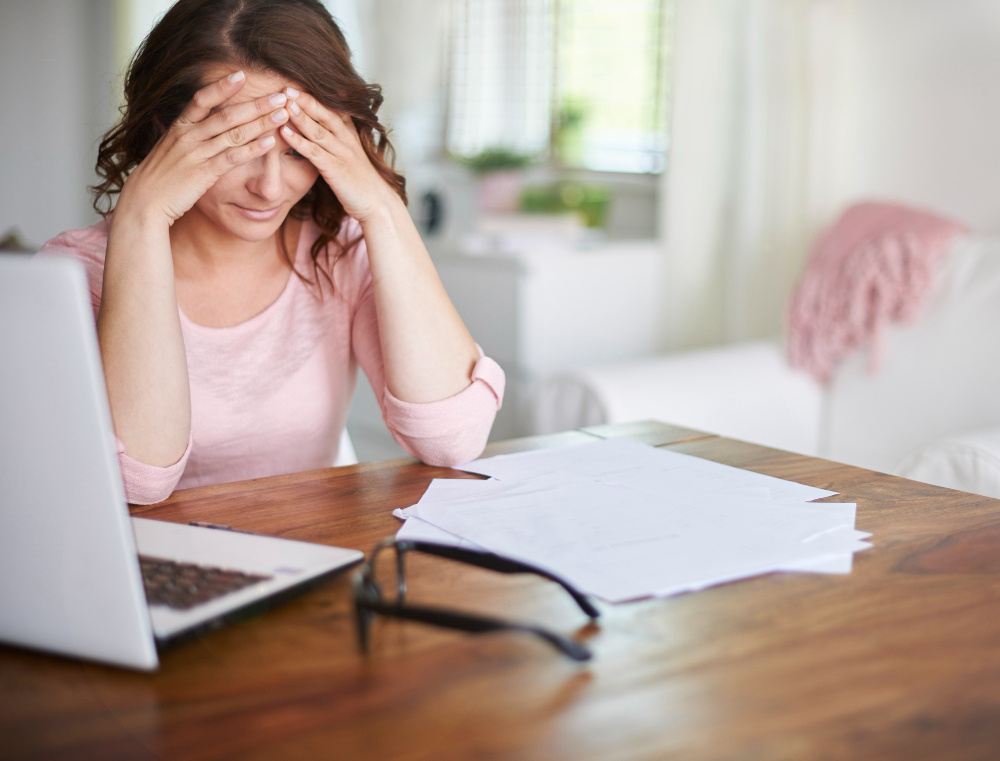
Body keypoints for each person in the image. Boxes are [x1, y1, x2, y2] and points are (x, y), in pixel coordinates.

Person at [39, 0, 504, 504]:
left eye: (298, 149)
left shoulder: (339, 250)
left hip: (311, 562)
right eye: (236, 147)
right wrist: (142, 216)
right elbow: (138, 483)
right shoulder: (72, 274)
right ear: (163, 130)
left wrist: (380, 207)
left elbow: (451, 439)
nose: (270, 187)